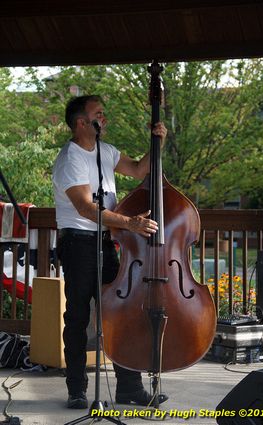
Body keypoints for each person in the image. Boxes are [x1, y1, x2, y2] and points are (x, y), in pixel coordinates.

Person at [52, 95, 168, 409]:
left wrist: (157, 141)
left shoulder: (106, 151)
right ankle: (77, 390)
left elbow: (138, 168)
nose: (105, 119)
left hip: (104, 242)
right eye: (98, 114)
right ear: (81, 122)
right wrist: (129, 222)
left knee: (121, 313)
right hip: (78, 243)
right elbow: (86, 208)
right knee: (77, 318)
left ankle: (129, 389)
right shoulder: (69, 159)